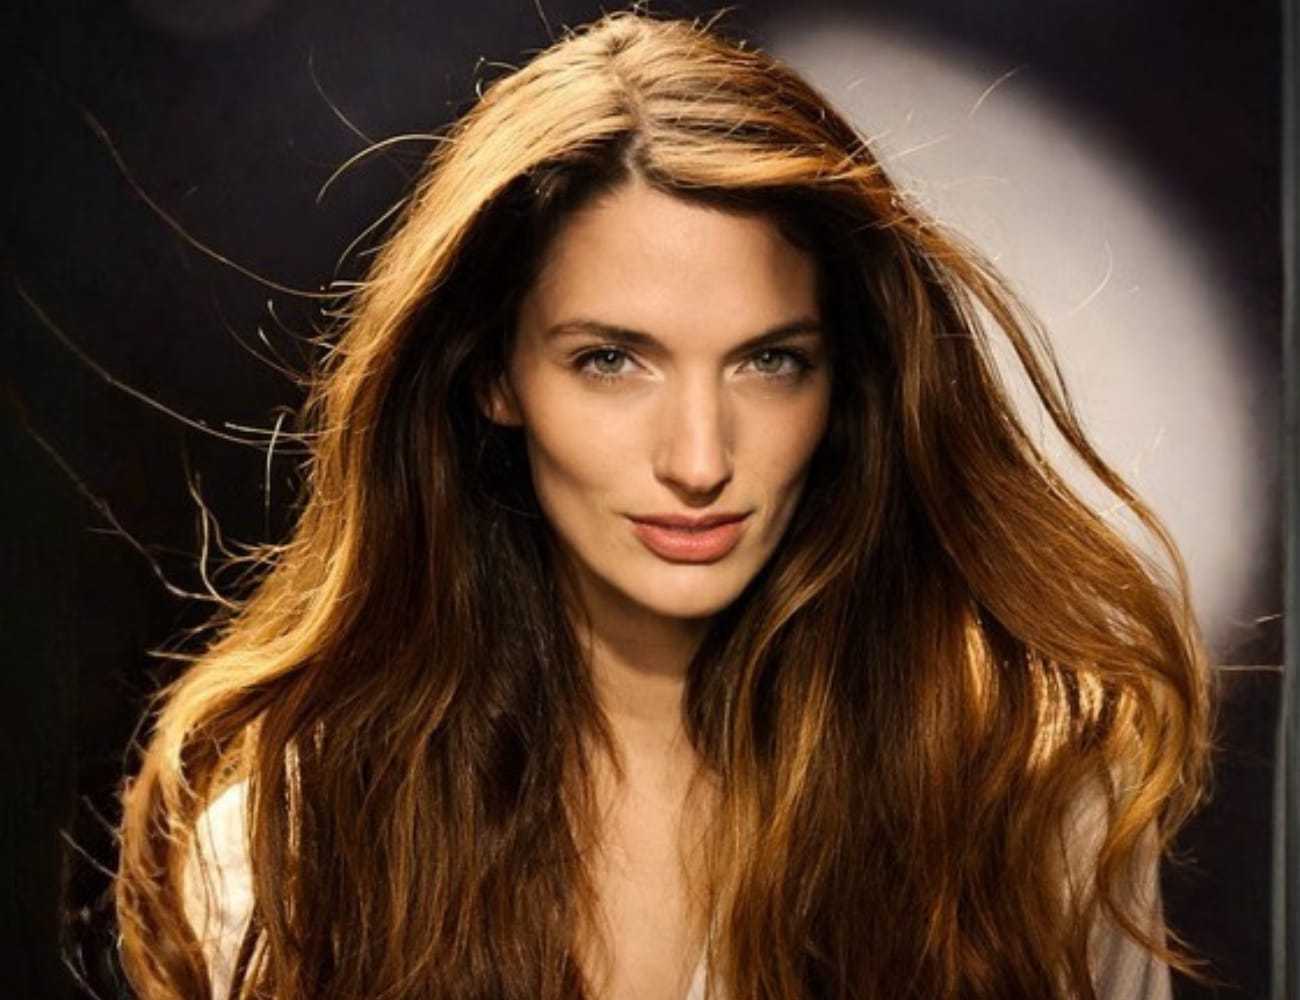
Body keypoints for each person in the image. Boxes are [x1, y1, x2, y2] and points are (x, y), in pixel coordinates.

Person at [113, 8, 1220, 1000]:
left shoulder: (1022, 818)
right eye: (611, 361)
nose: (699, 459)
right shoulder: (297, 849)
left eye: (768, 363)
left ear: (848, 382)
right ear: (493, 375)